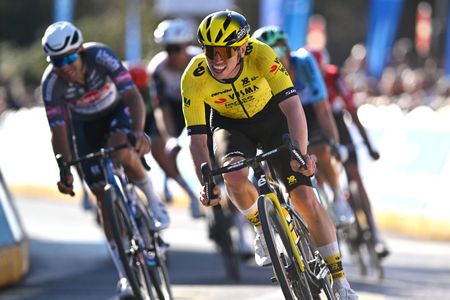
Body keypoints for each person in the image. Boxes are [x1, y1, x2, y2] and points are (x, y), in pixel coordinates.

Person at [181, 10, 358, 299]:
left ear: (240, 48)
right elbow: (198, 139)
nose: (217, 59)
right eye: (210, 51)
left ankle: (340, 281)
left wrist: (300, 154)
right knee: (233, 176)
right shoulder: (194, 75)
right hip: (230, 126)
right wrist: (205, 180)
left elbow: (292, 107)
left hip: (272, 119)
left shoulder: (260, 54)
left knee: (305, 199)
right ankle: (261, 230)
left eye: (225, 51)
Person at [40, 21, 169, 299]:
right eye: (57, 61)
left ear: (82, 51)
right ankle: (124, 275)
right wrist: (64, 167)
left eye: (70, 58)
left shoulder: (101, 56)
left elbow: (133, 96)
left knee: (122, 150)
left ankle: (154, 204)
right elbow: (58, 131)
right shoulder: (51, 83)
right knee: (100, 194)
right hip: (84, 128)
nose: (65, 66)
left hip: (116, 112)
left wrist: (137, 132)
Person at [252, 26, 355, 226]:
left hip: (309, 110)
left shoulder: (304, 63)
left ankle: (337, 195)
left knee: (322, 149)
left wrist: (335, 144)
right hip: (281, 114)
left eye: (278, 53)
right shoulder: (259, 72)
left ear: (288, 51)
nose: (275, 61)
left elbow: (323, 110)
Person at [309, 47, 390, 258]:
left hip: (337, 123)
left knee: (355, 177)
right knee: (321, 173)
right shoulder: (302, 79)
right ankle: (332, 208)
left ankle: (375, 234)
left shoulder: (334, 76)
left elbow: (352, 111)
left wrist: (368, 144)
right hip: (316, 125)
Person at [147, 18, 204, 218]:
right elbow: (161, 109)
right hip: (173, 108)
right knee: (158, 146)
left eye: (177, 49)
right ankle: (190, 194)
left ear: (187, 46)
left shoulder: (201, 61)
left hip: (203, 104)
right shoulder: (158, 69)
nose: (173, 55)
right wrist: (170, 138)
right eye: (168, 49)